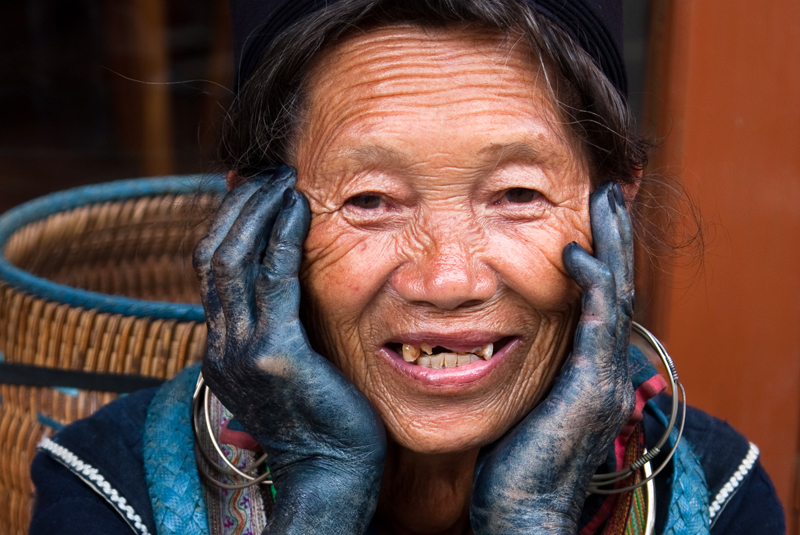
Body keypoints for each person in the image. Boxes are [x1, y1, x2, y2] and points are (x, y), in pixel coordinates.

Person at [29, 1, 785, 534]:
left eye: (518, 194)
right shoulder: (105, 489)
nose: (449, 279)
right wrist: (323, 489)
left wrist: (531, 519)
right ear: (255, 227)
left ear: (609, 210)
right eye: (371, 199)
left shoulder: (718, 496)